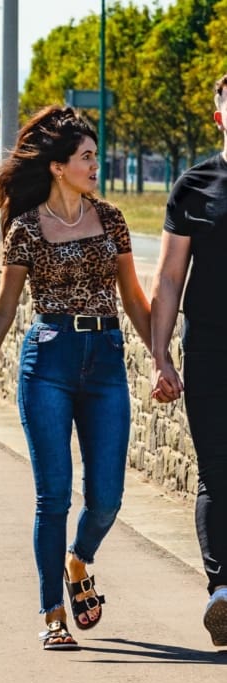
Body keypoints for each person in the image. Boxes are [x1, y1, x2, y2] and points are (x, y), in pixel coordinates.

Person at [0, 105, 151, 650]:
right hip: (48, 360)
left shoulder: (113, 219)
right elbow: (5, 307)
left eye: (94, 156)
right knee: (52, 496)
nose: (95, 165)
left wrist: (164, 360)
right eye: (85, 157)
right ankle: (52, 611)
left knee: (106, 498)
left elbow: (133, 298)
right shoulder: (27, 228)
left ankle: (79, 559)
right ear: (58, 167)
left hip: (104, 357)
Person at [150, 73, 227, 648]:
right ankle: (222, 592)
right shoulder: (195, 185)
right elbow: (170, 276)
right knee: (216, 472)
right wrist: (160, 355)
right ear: (220, 116)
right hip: (210, 348)